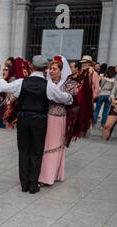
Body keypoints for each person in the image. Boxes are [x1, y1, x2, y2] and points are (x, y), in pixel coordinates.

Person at [0, 55, 73, 194]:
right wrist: (70, 97)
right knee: (37, 152)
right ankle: (33, 185)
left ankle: (24, 184)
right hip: (40, 120)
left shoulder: (21, 82)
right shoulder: (48, 85)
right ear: (45, 69)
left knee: (23, 151)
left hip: (23, 119)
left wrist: (5, 77)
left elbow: (3, 87)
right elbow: (64, 98)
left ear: (31, 67)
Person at [38, 56, 72, 187]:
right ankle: (44, 174)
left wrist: (56, 96)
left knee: (52, 146)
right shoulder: (46, 81)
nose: (51, 71)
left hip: (58, 118)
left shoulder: (68, 83)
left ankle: (47, 177)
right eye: (50, 68)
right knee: (43, 145)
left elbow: (70, 99)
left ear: (61, 70)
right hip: (44, 116)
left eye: (54, 69)